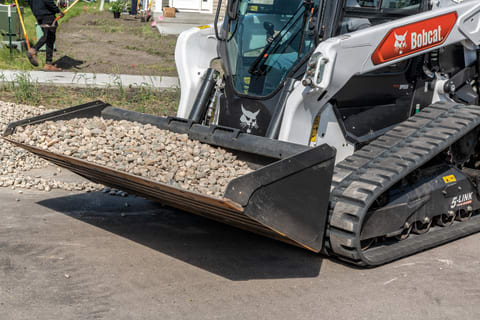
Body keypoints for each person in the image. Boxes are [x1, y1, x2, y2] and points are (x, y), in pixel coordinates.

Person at [26, 0, 64, 71]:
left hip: (38, 15)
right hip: (47, 15)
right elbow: (48, 1)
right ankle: (34, 50)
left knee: (50, 38)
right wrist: (58, 11)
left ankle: (48, 64)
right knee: (49, 36)